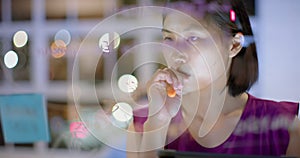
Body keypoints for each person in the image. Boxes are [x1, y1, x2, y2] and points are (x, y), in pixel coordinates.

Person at [126, 0, 300, 157]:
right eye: (169, 38)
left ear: (234, 45)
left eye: (192, 38)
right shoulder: (144, 124)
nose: (176, 53)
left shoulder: (283, 127)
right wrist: (158, 121)